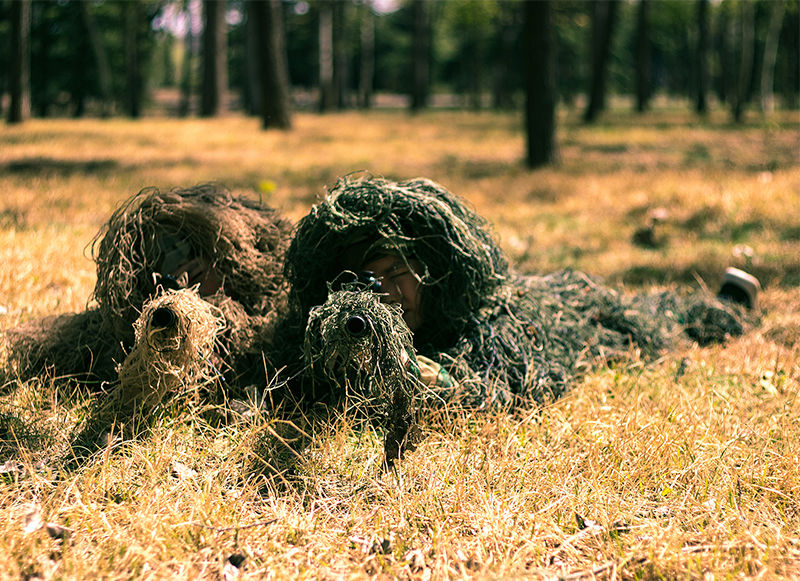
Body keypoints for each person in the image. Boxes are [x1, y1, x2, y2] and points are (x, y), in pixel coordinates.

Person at [282, 175, 759, 409]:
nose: (388, 293)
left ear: (430, 271)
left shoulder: (488, 317)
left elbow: (505, 382)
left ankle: (727, 305)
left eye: (395, 273)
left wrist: (434, 379)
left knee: (651, 319)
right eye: (369, 282)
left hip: (565, 309)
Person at [2, 184, 291, 388]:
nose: (191, 281)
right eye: (185, 275)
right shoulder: (127, 333)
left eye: (196, 270)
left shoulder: (262, 309)